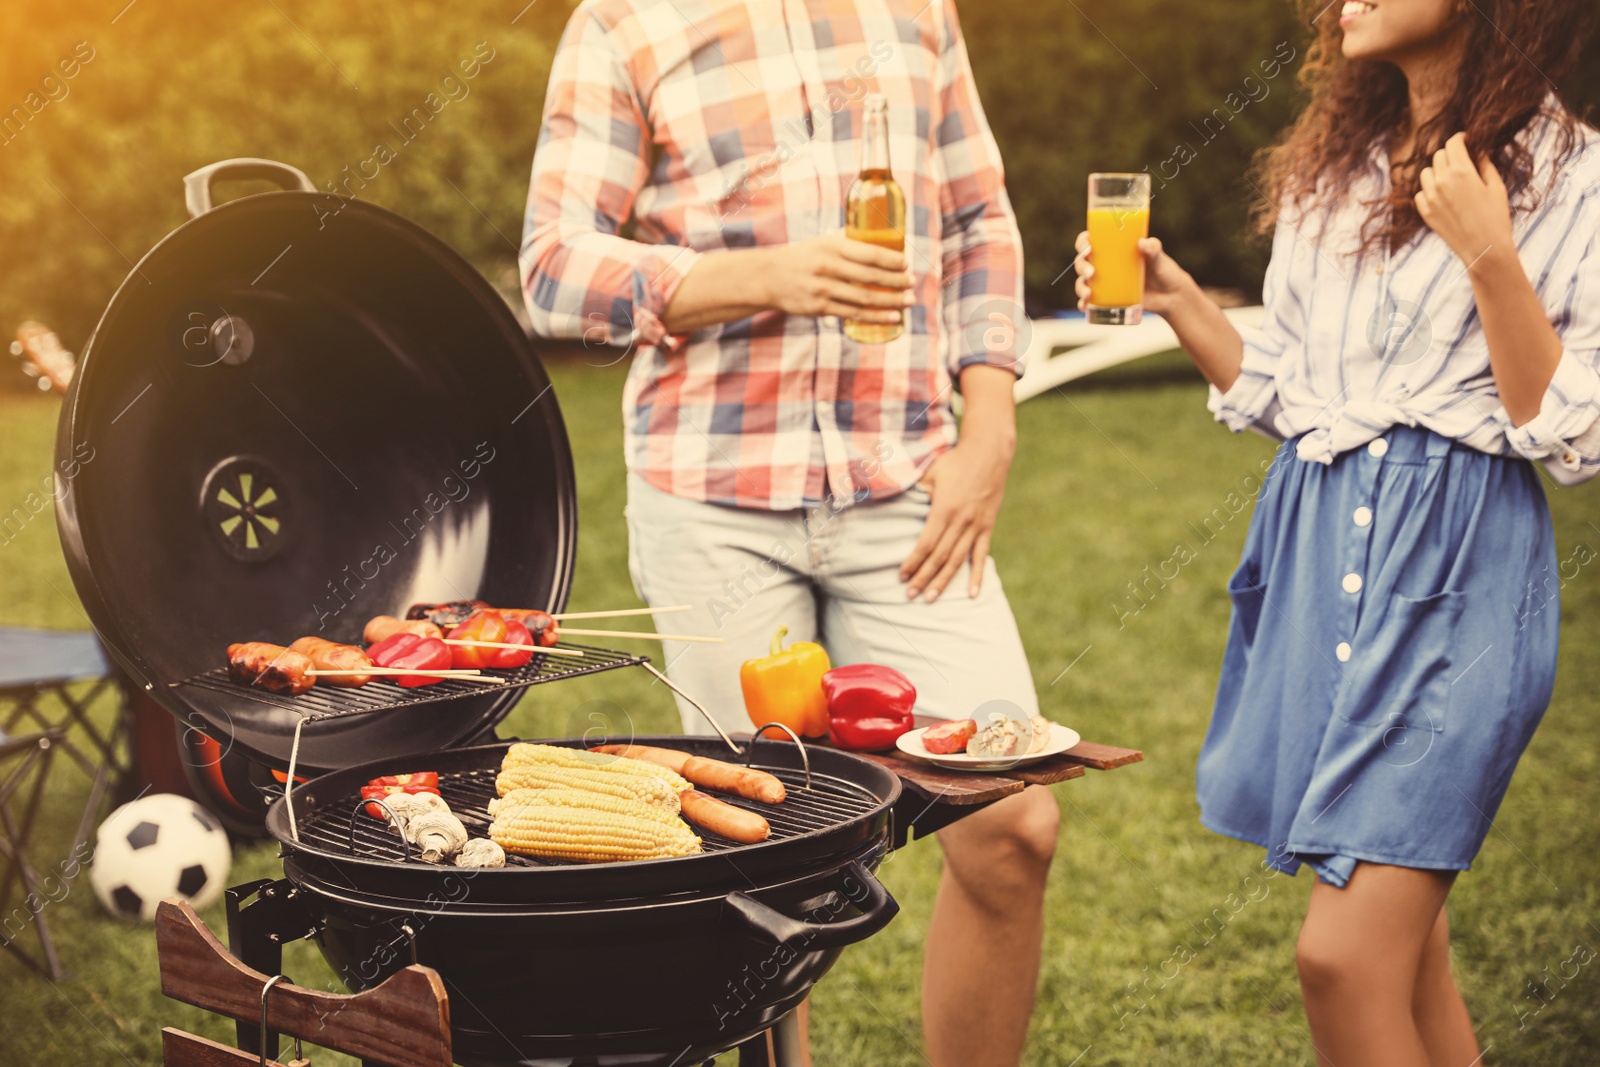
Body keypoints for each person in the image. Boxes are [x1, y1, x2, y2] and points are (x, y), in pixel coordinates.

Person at [522, 2, 1055, 1065]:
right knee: (758, 865)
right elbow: (551, 271)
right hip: (711, 500)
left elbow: (975, 222)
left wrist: (988, 421)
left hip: (907, 489)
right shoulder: (624, 23)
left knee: (1011, 826)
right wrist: (756, 278)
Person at [1075, 0, 1599, 1062]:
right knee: (1410, 953)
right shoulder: (1338, 170)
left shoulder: (1574, 173)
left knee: (1344, 957)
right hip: (1320, 555)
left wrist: (1490, 254)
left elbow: (1572, 434)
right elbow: (1289, 394)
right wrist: (1177, 300)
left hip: (1457, 574)